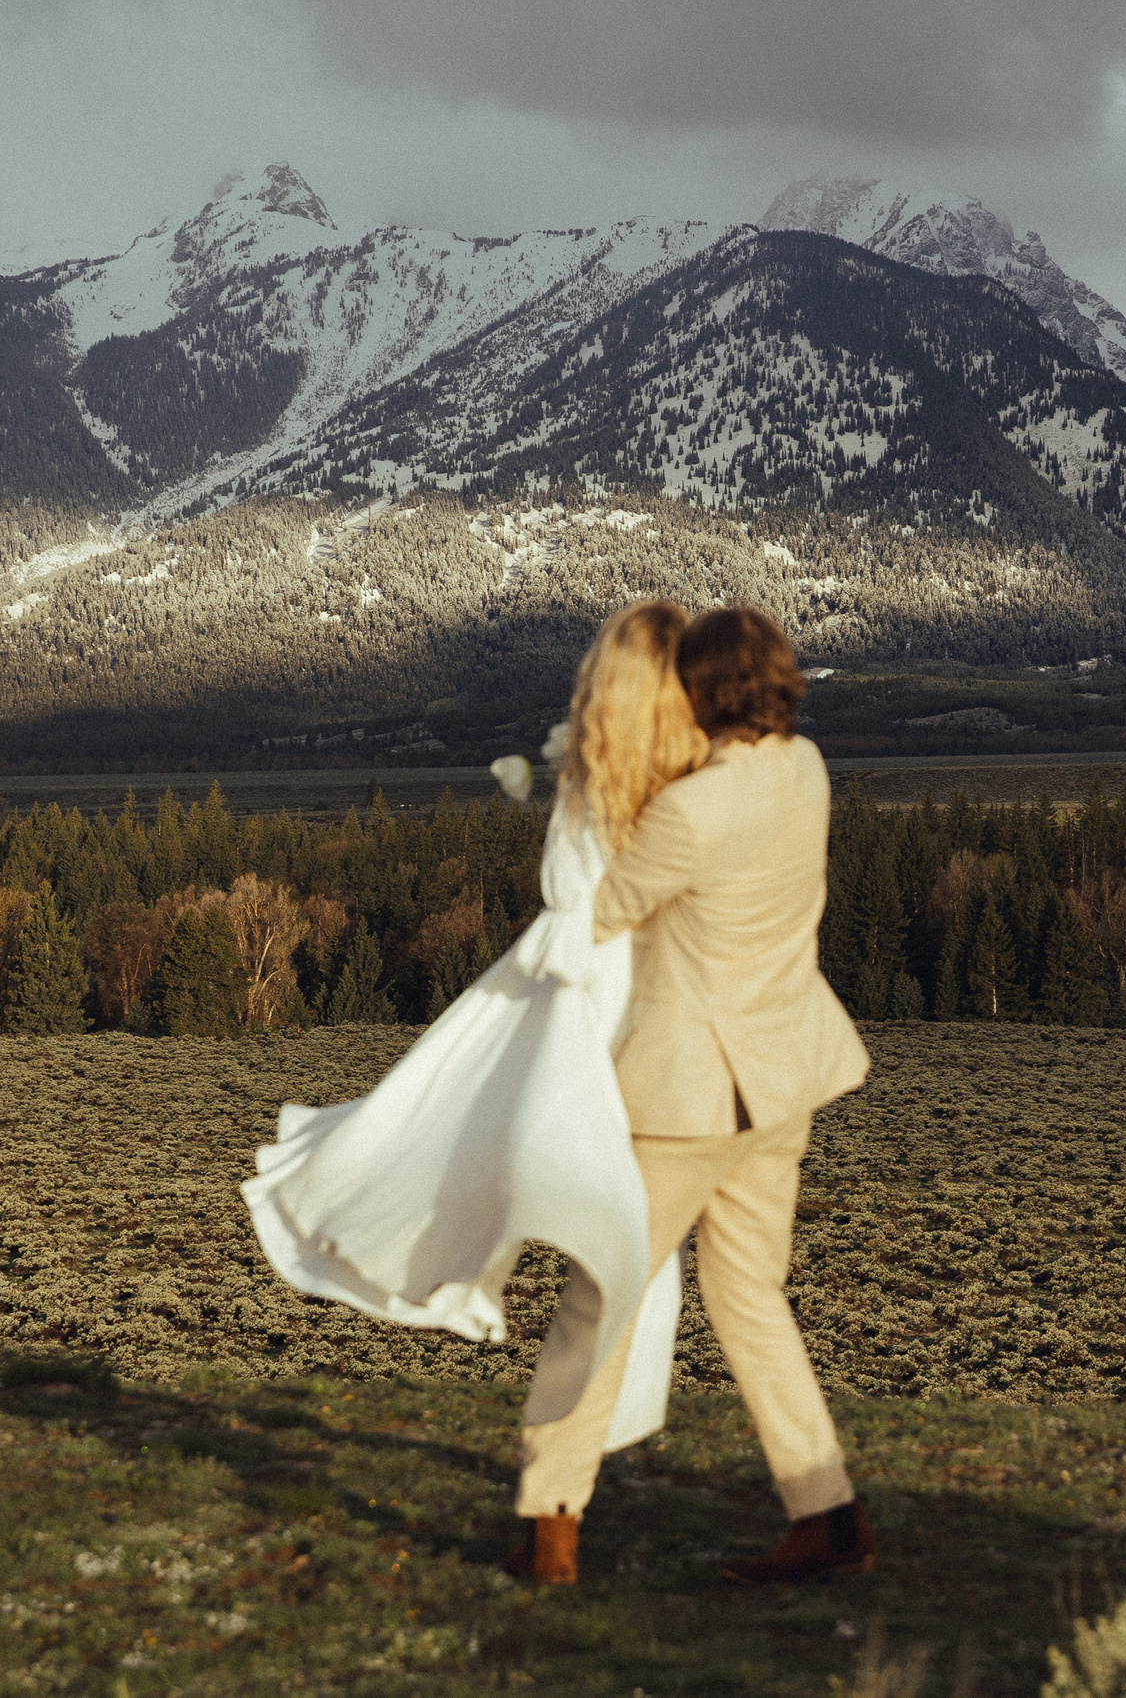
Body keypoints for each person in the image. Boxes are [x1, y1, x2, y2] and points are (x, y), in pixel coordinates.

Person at [241, 601, 710, 1464]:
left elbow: (567, 884)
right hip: (635, 1010)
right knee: (634, 1232)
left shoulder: (590, 780)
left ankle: (567, 1456)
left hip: (578, 1003)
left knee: (572, 1204)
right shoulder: (685, 783)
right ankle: (584, 1447)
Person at [507, 604, 874, 1589]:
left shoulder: (690, 812)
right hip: (785, 1079)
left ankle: (551, 1520)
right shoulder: (807, 769)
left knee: (600, 1295)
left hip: (688, 1100)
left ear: (700, 696)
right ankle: (825, 1508)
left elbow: (600, 915)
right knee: (750, 1294)